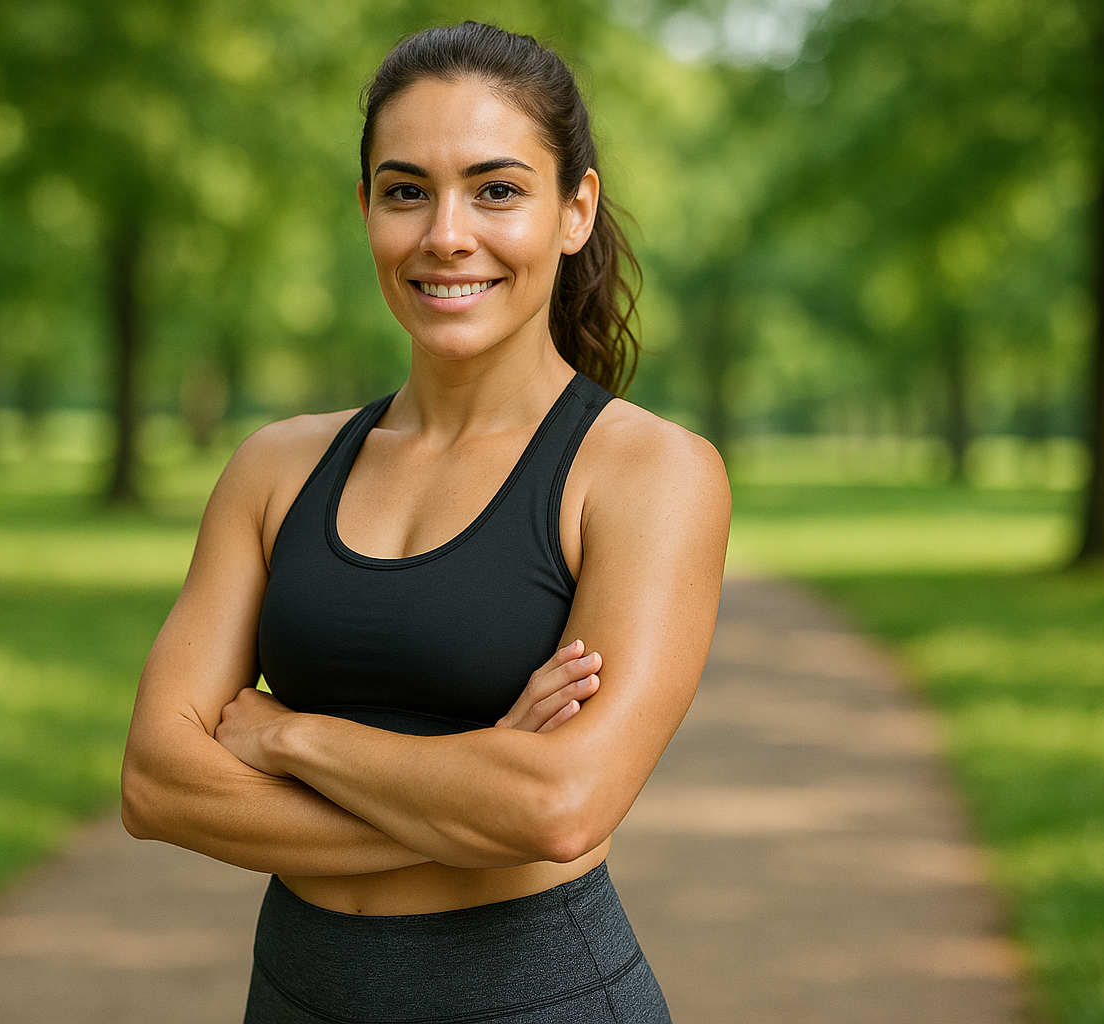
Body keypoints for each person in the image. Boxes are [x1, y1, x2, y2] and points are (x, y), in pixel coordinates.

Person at [120, 21, 730, 1024]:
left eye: (497, 188)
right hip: (294, 995)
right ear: (367, 210)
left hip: (534, 998)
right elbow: (158, 781)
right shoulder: (276, 467)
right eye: (408, 191)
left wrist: (293, 735)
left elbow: (560, 805)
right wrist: (477, 786)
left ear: (574, 209)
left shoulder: (645, 472)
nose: (446, 232)